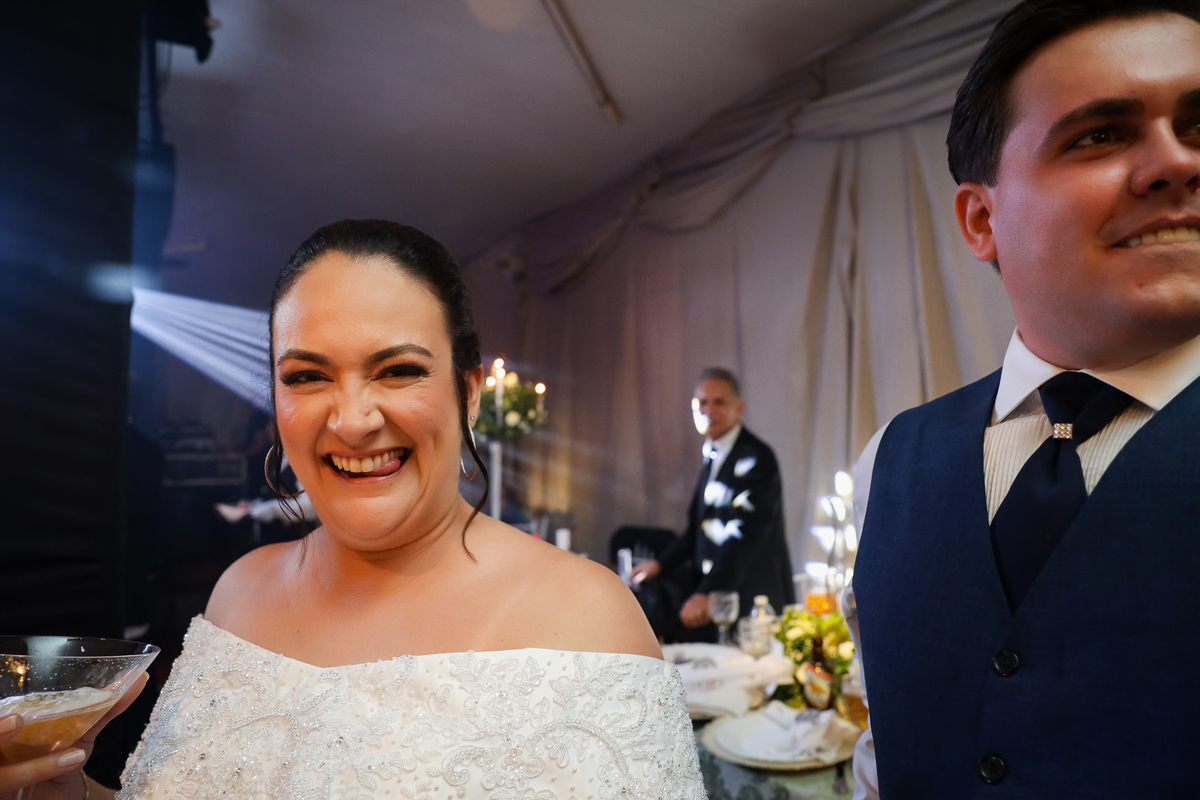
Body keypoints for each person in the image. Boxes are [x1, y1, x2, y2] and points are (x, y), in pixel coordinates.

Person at [0, 220, 705, 799]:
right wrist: (63, 791)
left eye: (398, 371)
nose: (352, 419)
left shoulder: (590, 620)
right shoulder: (239, 590)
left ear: (468, 393)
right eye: (308, 376)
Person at [845, 1, 1200, 797]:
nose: (1177, 163)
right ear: (981, 219)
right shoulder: (888, 464)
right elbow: (886, 741)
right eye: (1101, 134)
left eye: (1199, 127)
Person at [631, 368, 794, 639]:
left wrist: (708, 592)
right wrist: (659, 564)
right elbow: (698, 530)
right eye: (702, 402)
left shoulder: (756, 458)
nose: (708, 411)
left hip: (751, 600)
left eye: (719, 402)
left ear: (739, 408)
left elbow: (746, 536)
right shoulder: (714, 454)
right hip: (721, 600)